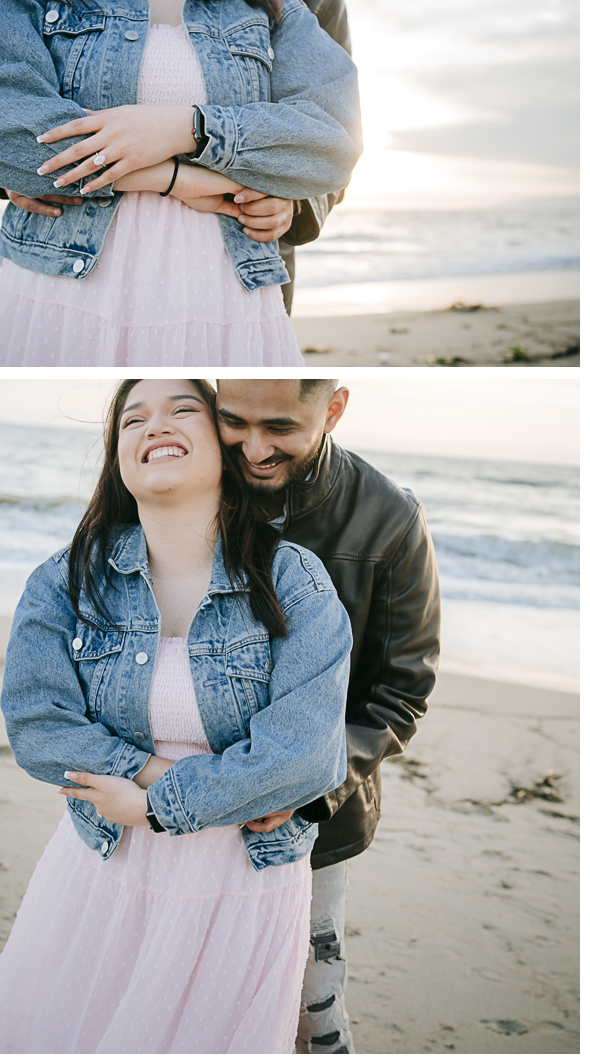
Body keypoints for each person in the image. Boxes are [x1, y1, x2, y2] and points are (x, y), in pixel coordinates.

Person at [0, 378, 352, 1054]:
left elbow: (308, 753)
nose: (154, 425)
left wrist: (161, 805)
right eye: (132, 419)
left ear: (225, 450)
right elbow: (37, 725)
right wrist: (154, 778)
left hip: (243, 875)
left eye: (182, 409)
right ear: (118, 457)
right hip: (105, 862)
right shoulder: (65, 579)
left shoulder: (294, 580)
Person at [213, 379, 441, 1053]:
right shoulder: (194, 479)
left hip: (317, 819)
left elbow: (400, 692)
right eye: (234, 421)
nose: (253, 449)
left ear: (333, 409)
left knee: (313, 1002)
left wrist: (307, 787)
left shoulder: (390, 519)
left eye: (280, 427)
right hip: (181, 799)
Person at [0, 0, 362, 367]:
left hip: (226, 288)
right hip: (63, 286)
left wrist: (186, 128)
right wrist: (177, 179)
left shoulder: (282, 3)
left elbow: (334, 140)